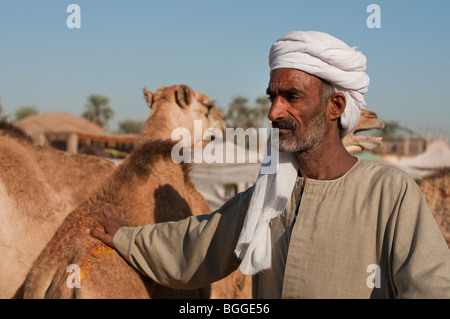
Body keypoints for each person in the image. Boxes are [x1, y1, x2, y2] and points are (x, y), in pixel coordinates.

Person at [90, 31, 450, 298]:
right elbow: (194, 245)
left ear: (335, 107)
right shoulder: (269, 196)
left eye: (291, 96)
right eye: (272, 97)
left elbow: (431, 285)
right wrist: (124, 235)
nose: (273, 112)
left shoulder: (389, 192)